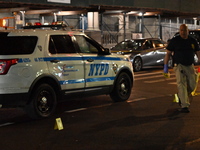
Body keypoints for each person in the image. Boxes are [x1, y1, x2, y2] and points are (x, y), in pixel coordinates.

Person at [164, 24, 200, 113]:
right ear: (179, 31)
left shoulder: (192, 41)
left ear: (188, 31)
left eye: (184, 30)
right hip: (179, 65)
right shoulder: (175, 41)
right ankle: (184, 105)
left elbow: (198, 52)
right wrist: (165, 67)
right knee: (181, 84)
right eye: (181, 30)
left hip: (190, 65)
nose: (183, 32)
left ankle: (182, 97)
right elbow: (168, 54)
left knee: (192, 85)